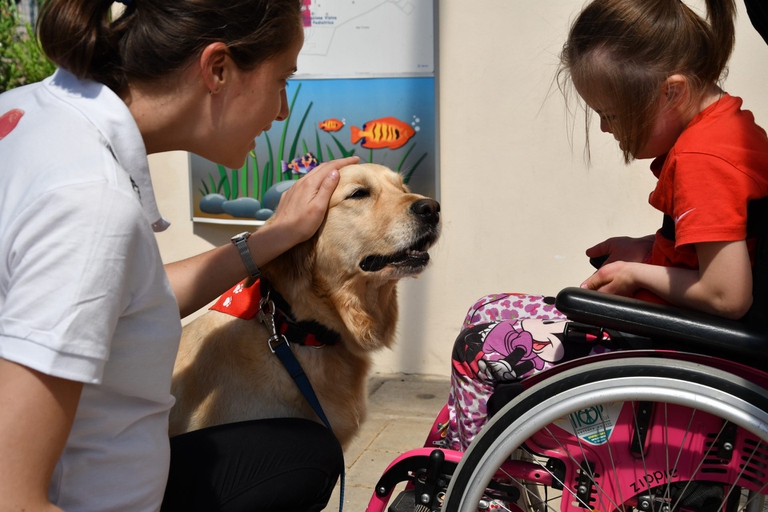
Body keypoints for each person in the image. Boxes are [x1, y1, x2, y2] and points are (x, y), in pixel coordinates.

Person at [0, 0, 359, 511]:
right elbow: (12, 496)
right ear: (217, 69)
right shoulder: (90, 203)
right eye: (282, 80)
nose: (283, 110)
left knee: (303, 453)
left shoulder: (27, 112)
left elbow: (120, 302)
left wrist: (272, 236)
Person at [440, 0, 768, 453]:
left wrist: (637, 274)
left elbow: (726, 295)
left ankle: (478, 488)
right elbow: (726, 244)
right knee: (486, 310)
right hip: (677, 332)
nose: (605, 127)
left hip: (672, 347)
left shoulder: (702, 160)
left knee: (479, 349)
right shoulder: (726, 128)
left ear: (672, 92)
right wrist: (647, 247)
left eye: (611, 114)